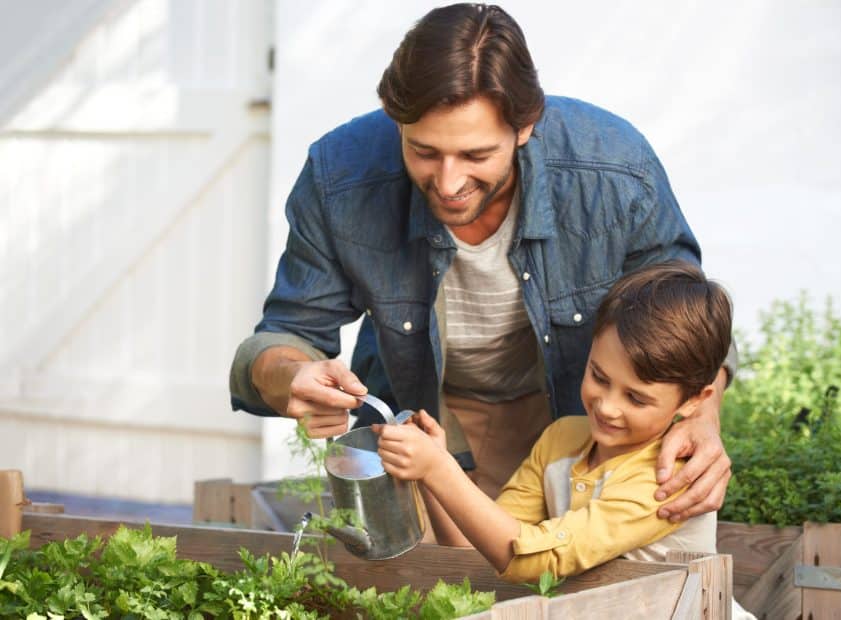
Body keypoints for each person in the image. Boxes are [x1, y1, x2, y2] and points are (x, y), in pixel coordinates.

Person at [229, 3, 736, 523]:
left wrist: (704, 412)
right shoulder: (339, 177)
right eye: (424, 151)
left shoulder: (614, 171)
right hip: (421, 416)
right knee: (426, 592)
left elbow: (685, 316)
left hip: (571, 415)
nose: (448, 183)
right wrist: (291, 375)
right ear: (395, 118)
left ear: (525, 126)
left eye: (475, 156)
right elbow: (282, 337)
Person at [373, 262, 755, 619]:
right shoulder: (563, 439)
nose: (607, 407)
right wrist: (433, 472)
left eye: (636, 398)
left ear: (694, 401)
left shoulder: (670, 477)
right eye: (599, 376)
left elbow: (536, 559)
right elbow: (482, 552)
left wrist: (440, 470)